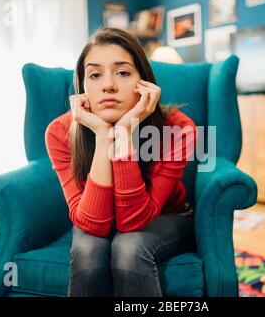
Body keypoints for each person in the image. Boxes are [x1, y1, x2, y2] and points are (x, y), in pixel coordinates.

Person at [45, 27, 197, 297]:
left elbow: (132, 223)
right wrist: (103, 136)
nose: (108, 85)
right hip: (97, 214)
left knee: (129, 247)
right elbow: (93, 225)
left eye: (123, 72)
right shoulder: (59, 132)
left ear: (144, 82)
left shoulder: (178, 128)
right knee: (88, 249)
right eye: (94, 74)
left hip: (167, 216)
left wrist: (125, 132)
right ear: (82, 87)